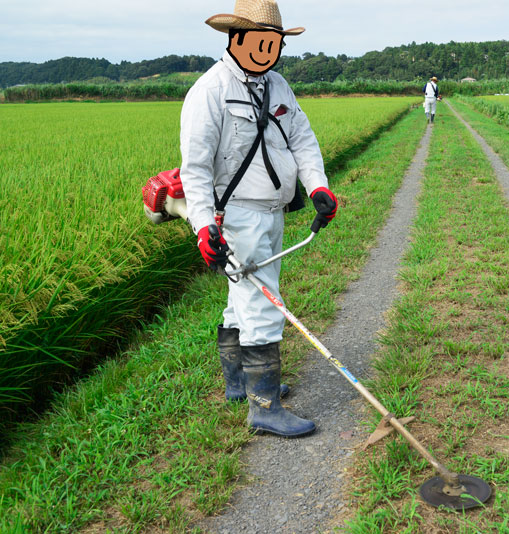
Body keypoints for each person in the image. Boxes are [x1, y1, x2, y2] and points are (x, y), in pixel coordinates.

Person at [180, 0, 338, 438]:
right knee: (264, 305)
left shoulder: (277, 86)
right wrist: (202, 227)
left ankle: (239, 386)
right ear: (235, 38)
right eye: (259, 41)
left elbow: (302, 139)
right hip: (238, 217)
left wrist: (318, 186)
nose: (267, 50)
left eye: (274, 43)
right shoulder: (209, 92)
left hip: (274, 212)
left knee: (241, 302)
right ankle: (264, 405)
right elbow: (193, 169)